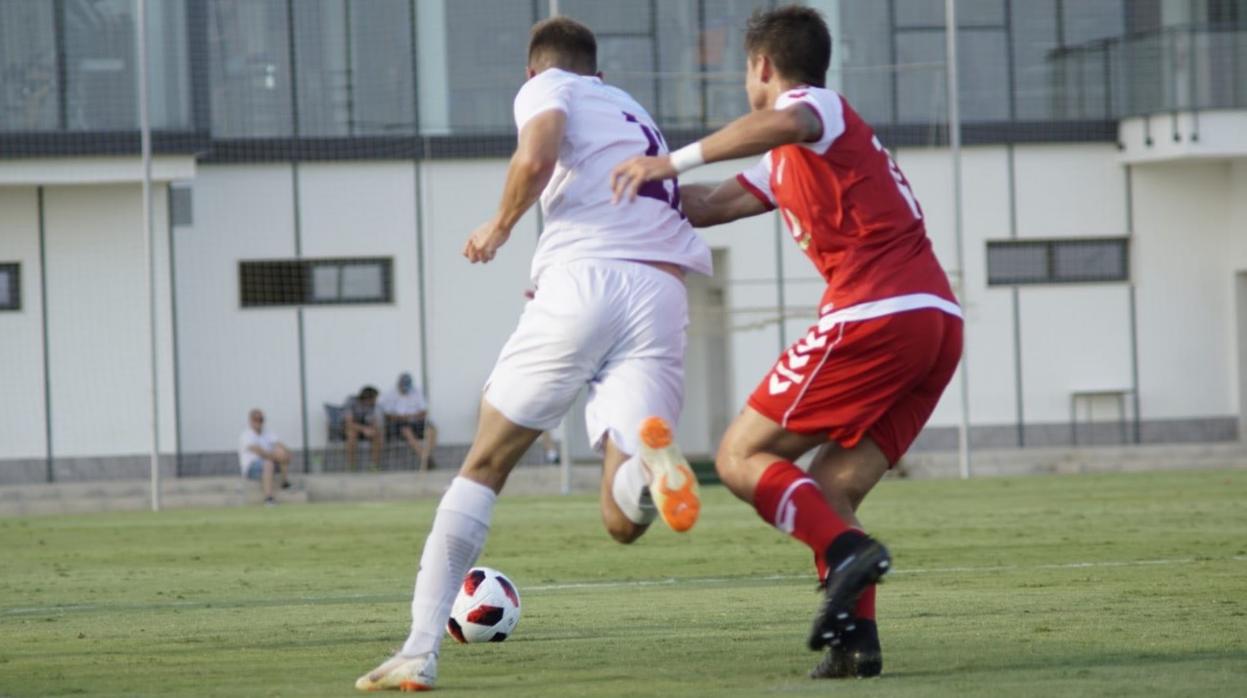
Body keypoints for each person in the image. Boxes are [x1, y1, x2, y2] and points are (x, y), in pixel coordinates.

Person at [356, 16, 711, 692]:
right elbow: (691, 202)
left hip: (585, 282)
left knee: (485, 462)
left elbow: (537, 154)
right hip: (661, 293)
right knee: (620, 517)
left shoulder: (549, 87)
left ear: (535, 71)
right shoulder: (635, 115)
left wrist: (498, 226)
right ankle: (652, 473)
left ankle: (419, 650)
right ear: (598, 71)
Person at [610, 5, 963, 679]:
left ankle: (846, 554)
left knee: (740, 455)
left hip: (875, 312)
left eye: (747, 73)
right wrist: (619, 204)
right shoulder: (796, 157)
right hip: (932, 324)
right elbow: (709, 204)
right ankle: (855, 644)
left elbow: (784, 119)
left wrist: (666, 158)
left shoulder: (815, 109)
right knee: (831, 488)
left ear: (761, 66)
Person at [380, 372, 438, 471]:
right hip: (399, 423)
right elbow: (387, 414)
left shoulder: (416, 392)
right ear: (399, 384)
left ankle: (425, 457)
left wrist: (411, 417)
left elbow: (424, 411)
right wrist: (402, 418)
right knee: (406, 431)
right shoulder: (389, 395)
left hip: (415, 421)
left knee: (432, 429)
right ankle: (426, 459)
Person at [237, 408, 292, 506]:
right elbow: (260, 452)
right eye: (256, 419)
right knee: (268, 463)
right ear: (250, 421)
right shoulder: (246, 435)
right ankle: (269, 498)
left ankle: (285, 482)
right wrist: (276, 456)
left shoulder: (267, 433)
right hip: (251, 468)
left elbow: (279, 444)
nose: (258, 422)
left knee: (280, 452)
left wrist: (286, 453)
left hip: (268, 462)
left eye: (261, 419)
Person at [344, 386, 383, 471]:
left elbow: (375, 422)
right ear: (367, 398)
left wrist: (373, 429)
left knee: (378, 435)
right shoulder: (351, 401)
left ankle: (374, 466)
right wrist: (364, 429)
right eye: (374, 398)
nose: (375, 401)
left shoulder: (373, 405)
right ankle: (351, 466)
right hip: (352, 428)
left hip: (365, 428)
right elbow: (349, 423)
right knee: (352, 435)